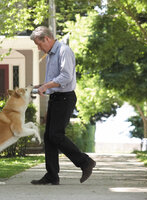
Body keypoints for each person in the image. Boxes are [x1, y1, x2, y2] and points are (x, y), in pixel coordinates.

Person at [30, 26, 96, 185]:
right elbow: (55, 79)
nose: (39, 48)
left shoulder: (63, 51)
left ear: (47, 38)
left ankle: (85, 162)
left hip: (65, 98)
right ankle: (52, 175)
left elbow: (66, 76)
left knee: (56, 135)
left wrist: (46, 87)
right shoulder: (51, 54)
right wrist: (42, 85)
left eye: (39, 44)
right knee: (49, 136)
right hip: (56, 98)